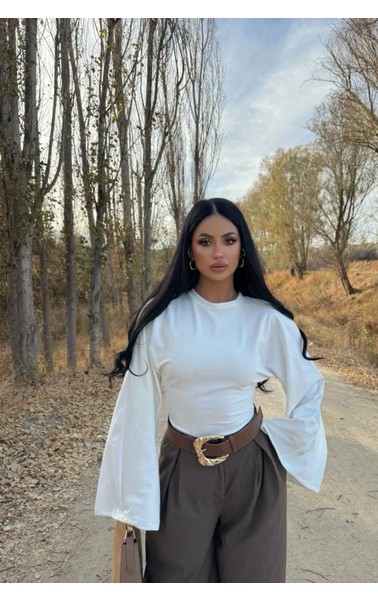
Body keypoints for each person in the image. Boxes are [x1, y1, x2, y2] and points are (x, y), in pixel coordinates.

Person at [95, 197, 327, 583]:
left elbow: (310, 387)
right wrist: (130, 500)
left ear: (242, 248)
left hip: (252, 470)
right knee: (175, 579)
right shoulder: (161, 319)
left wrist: (280, 442)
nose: (218, 252)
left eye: (228, 240)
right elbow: (135, 410)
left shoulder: (266, 321)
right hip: (182, 470)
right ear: (190, 250)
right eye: (205, 242)